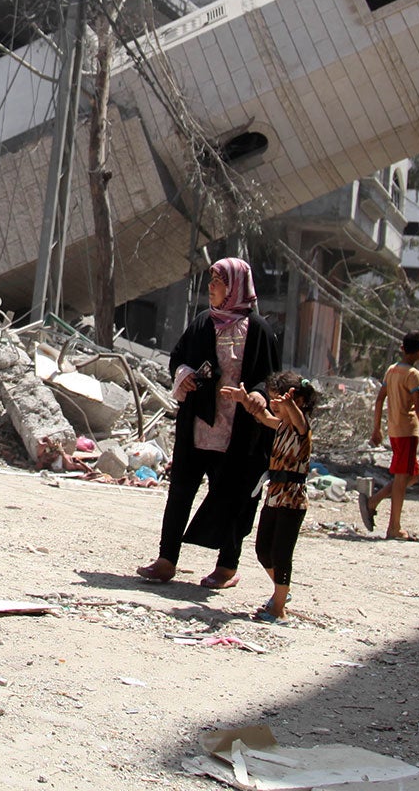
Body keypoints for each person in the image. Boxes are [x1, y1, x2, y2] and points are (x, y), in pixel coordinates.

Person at [138, 258, 279, 589]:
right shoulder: (202, 323)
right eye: (211, 279)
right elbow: (179, 358)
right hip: (198, 426)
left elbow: (272, 379)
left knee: (234, 497)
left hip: (238, 433)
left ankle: (227, 566)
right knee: (180, 493)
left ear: (235, 287)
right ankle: (166, 559)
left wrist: (258, 395)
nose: (211, 287)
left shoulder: (259, 330)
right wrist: (184, 375)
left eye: (218, 281)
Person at [249, 370, 317, 623]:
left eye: (278, 400)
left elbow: (299, 421)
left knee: (281, 553)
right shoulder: (281, 425)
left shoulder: (301, 426)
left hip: (292, 499)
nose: (273, 404)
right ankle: (281, 592)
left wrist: (290, 405)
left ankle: (279, 609)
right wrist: (246, 401)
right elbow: (264, 416)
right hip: (274, 495)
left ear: (296, 402)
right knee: (263, 550)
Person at [362, 332, 419, 539]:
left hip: (394, 430)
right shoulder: (413, 374)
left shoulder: (392, 370)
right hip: (406, 430)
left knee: (411, 476)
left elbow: (379, 401)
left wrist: (377, 428)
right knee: (402, 477)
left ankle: (374, 500)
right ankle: (393, 527)